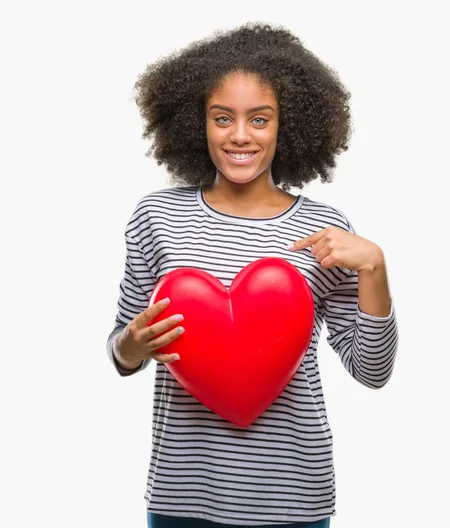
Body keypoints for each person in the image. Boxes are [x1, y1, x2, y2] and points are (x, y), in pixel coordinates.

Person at [107, 22, 398, 528]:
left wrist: (375, 268)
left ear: (287, 125)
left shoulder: (324, 230)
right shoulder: (156, 217)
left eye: (259, 119)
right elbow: (122, 347)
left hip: (294, 497)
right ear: (198, 124)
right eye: (223, 118)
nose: (240, 135)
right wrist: (130, 345)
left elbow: (371, 372)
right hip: (183, 493)